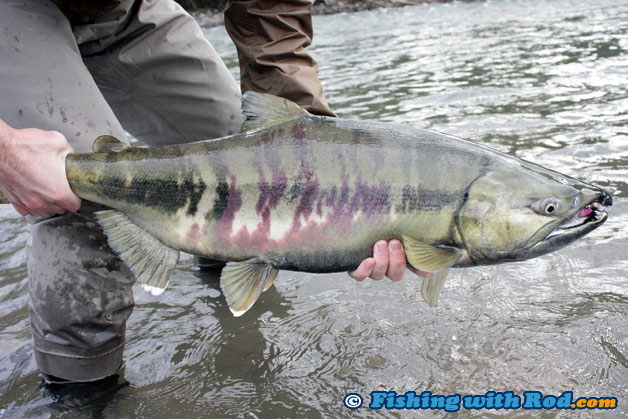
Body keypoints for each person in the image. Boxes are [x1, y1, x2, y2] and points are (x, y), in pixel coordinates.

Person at [0, 0, 426, 384]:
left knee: (244, 157)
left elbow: (271, 17)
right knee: (80, 207)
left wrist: (311, 153)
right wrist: (6, 152)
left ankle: (232, 301)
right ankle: (82, 394)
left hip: (125, 8)